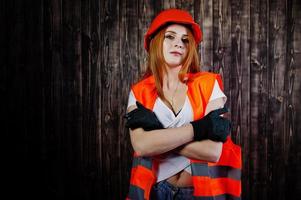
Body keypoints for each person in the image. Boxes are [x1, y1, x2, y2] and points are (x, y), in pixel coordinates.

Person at [125, 9, 241, 200]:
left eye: (185, 40)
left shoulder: (209, 83)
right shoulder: (139, 91)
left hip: (199, 191)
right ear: (155, 42)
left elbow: (212, 151)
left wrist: (158, 135)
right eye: (170, 37)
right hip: (155, 191)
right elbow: (142, 145)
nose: (178, 43)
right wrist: (200, 128)